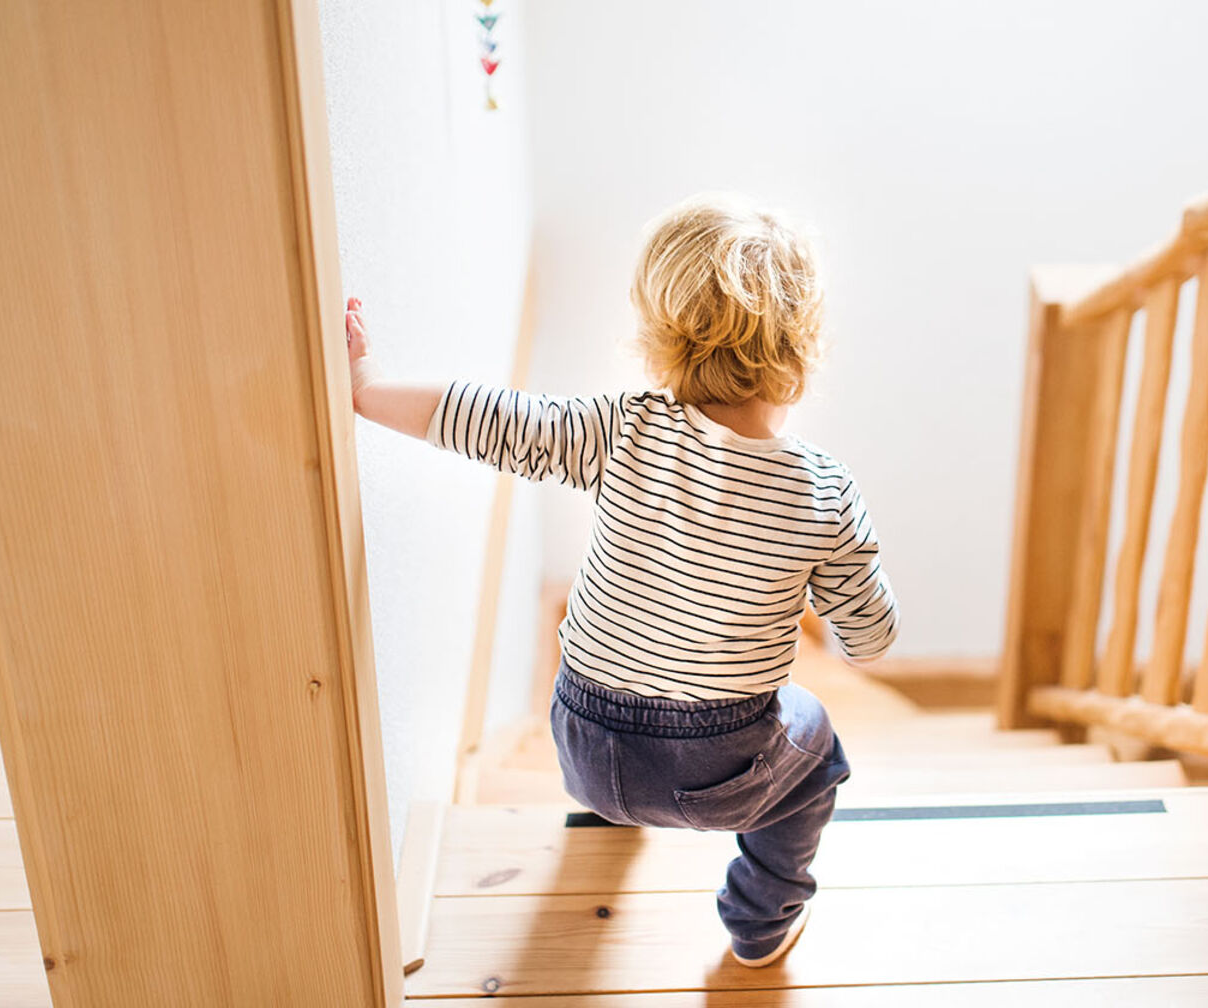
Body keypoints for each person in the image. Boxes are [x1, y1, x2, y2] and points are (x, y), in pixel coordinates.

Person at [345, 193, 898, 968]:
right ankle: (762, 920)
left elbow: (492, 419)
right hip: (717, 775)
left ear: (661, 334)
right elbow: (866, 643)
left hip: (580, 741)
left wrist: (366, 388)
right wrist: (836, 591)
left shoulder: (622, 427)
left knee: (624, 689)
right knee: (816, 751)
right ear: (804, 346)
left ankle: (611, 815)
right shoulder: (823, 492)